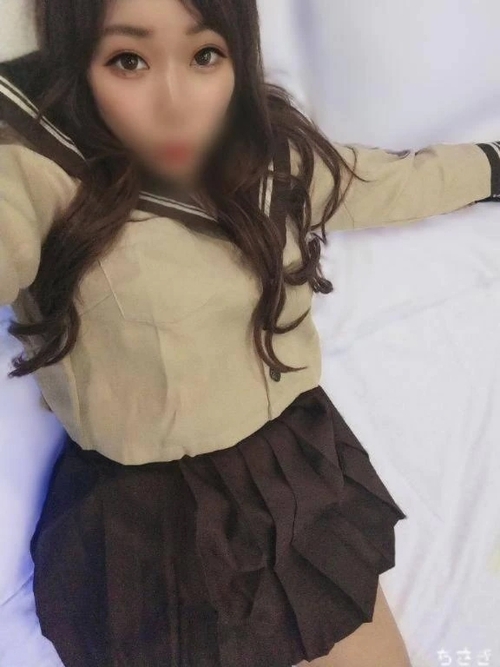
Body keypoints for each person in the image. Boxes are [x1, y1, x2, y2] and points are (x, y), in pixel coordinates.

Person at [0, 1, 499, 666]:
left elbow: (379, 181)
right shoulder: (38, 177)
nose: (176, 102)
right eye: (130, 60)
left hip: (287, 468)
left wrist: (490, 166)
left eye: (205, 55)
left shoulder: (266, 151)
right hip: (150, 514)